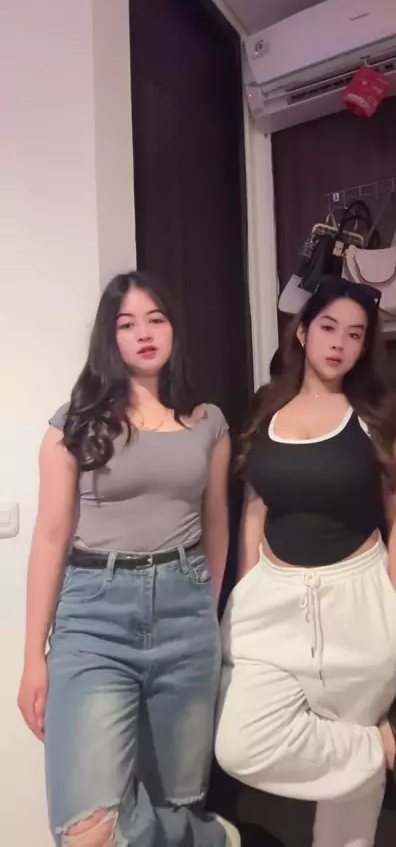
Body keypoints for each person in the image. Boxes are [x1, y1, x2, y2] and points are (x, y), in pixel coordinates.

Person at [215, 276, 396, 847]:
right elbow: (255, 507)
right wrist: (247, 586)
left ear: (365, 346)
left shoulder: (382, 416)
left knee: (348, 805)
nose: (339, 343)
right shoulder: (267, 407)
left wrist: (395, 616)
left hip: (356, 602)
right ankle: (390, 746)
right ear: (303, 332)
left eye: (355, 335)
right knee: (238, 744)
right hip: (271, 604)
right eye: (329, 327)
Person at [18, 271, 240, 847]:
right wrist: (33, 657)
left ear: (173, 330)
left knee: (174, 798)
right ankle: (210, 840)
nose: (144, 333)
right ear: (108, 337)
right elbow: (50, 538)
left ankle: (192, 830)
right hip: (94, 618)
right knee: (88, 829)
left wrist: (205, 607)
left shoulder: (208, 423)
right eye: (127, 323)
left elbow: (217, 525)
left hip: (185, 615)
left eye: (155, 319)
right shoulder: (73, 425)